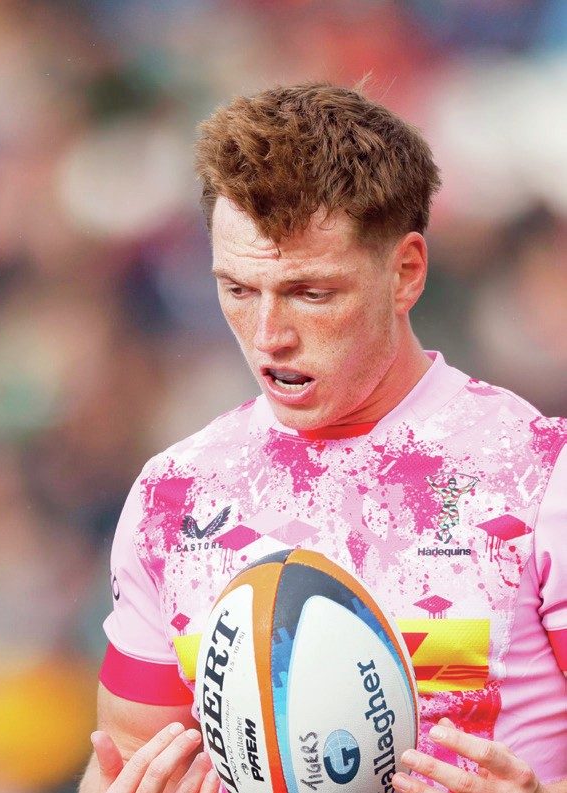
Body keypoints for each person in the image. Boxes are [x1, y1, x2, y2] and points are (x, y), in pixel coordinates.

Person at [80, 82, 566, 793]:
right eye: (239, 290)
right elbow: (120, 762)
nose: (270, 337)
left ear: (405, 272)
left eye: (312, 293)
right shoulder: (173, 495)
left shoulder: (538, 473)